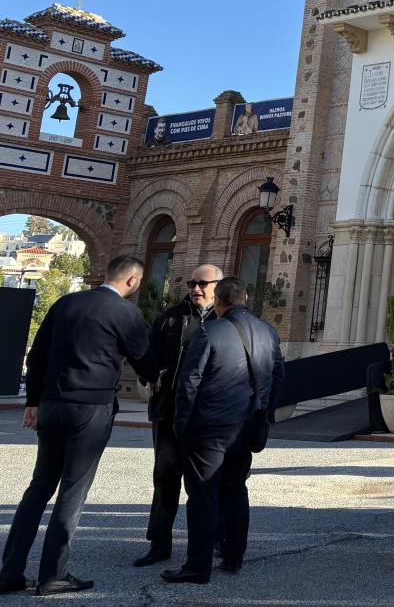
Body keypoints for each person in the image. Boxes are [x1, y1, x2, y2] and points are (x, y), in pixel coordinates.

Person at [1, 256, 158, 597]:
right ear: (132, 281)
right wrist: (157, 376)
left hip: (52, 404)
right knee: (72, 493)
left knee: (39, 488)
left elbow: (37, 355)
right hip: (91, 408)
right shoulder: (126, 312)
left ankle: (10, 572)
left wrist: (33, 402)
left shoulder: (65, 303)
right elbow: (144, 360)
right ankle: (52, 575)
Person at [162, 277, 285, 584]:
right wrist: (265, 416)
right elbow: (279, 377)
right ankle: (233, 557)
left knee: (203, 495)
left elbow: (189, 382)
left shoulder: (209, 331)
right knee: (235, 489)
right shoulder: (268, 331)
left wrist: (181, 423)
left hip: (210, 427)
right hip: (247, 424)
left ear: (218, 301)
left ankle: (197, 566)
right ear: (245, 299)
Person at [135, 263, 223, 568]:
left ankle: (213, 541)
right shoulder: (171, 317)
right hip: (169, 410)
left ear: (218, 286)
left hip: (206, 415)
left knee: (208, 481)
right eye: (192, 284)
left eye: (203, 284)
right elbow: (146, 351)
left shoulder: (224, 320)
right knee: (165, 478)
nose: (196, 289)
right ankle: (159, 543)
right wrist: (149, 374)